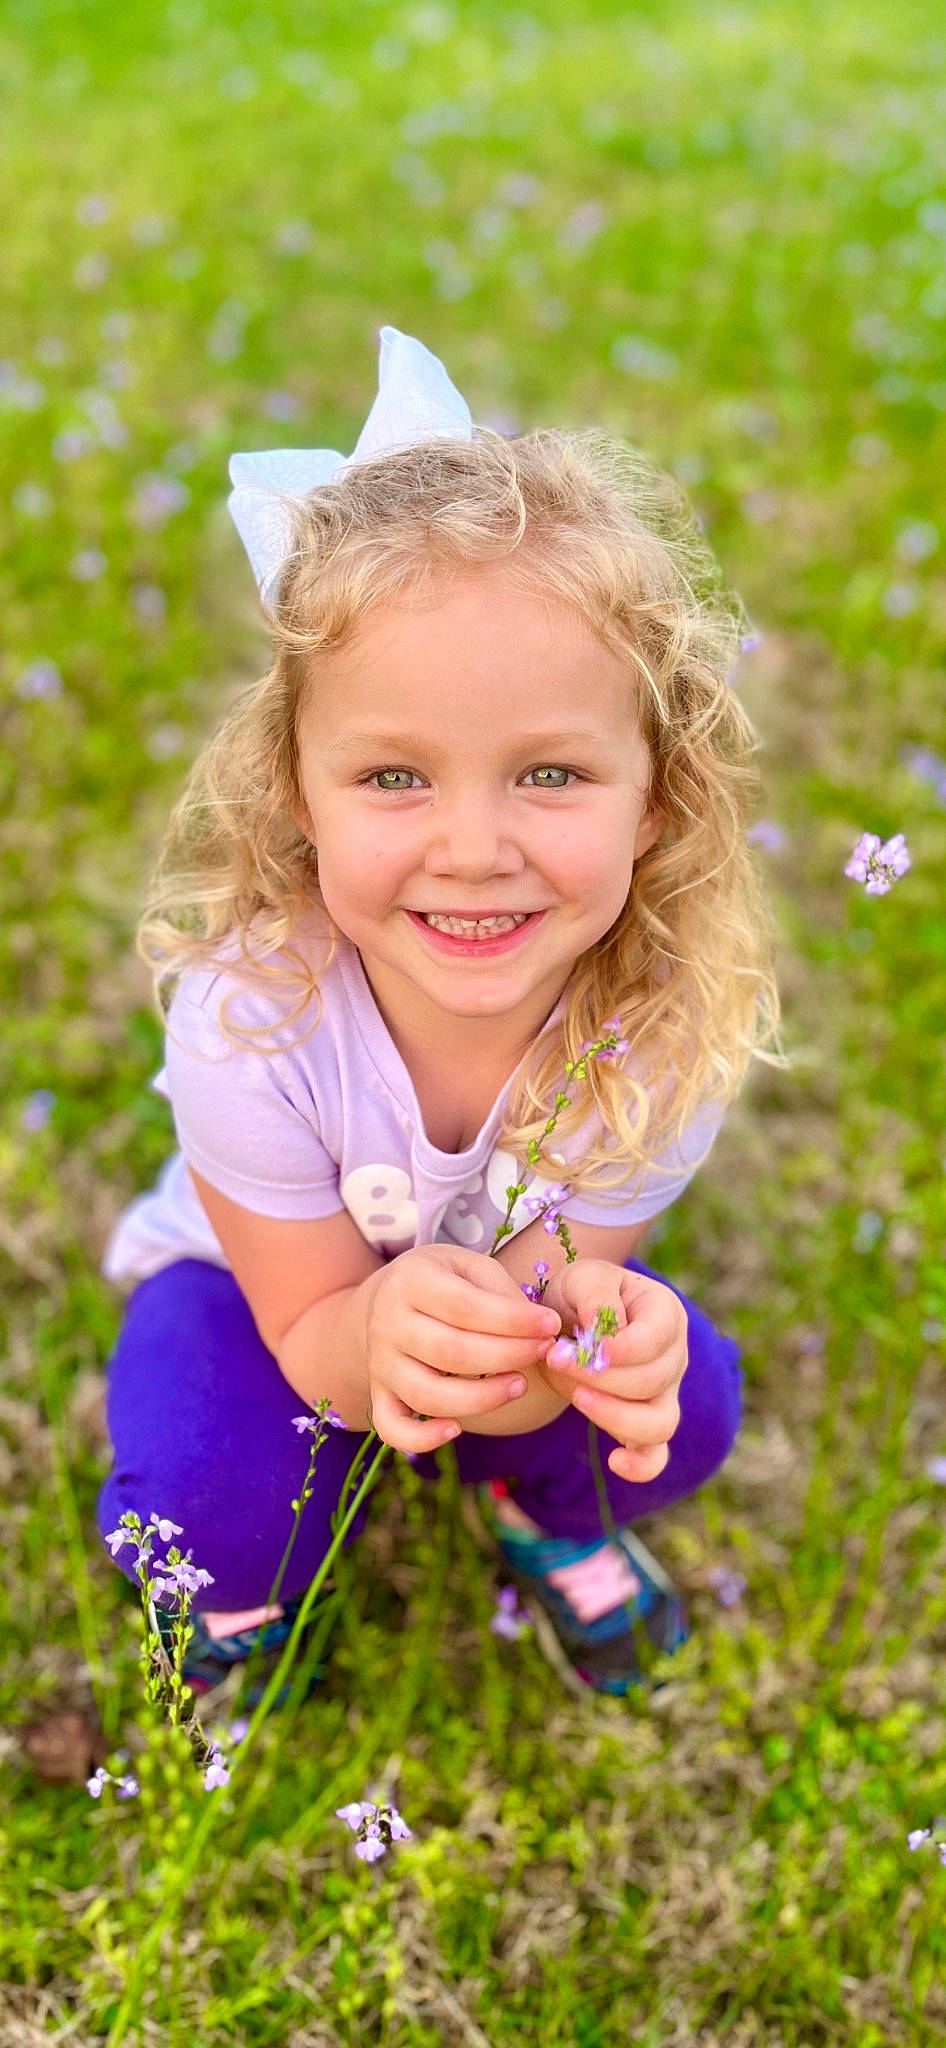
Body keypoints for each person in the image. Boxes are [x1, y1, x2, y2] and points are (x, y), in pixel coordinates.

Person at [97, 326, 782, 1702]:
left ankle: (537, 1513)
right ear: (297, 791)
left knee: (685, 1397)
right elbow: (313, 1335)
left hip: (482, 1322)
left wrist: (575, 1348)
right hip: (268, 1297)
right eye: (394, 779)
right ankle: (238, 1601)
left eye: (549, 773)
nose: (473, 847)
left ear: (655, 795)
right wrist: (377, 1344)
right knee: (204, 1506)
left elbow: (544, 1317)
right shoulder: (249, 1018)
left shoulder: (660, 1027)